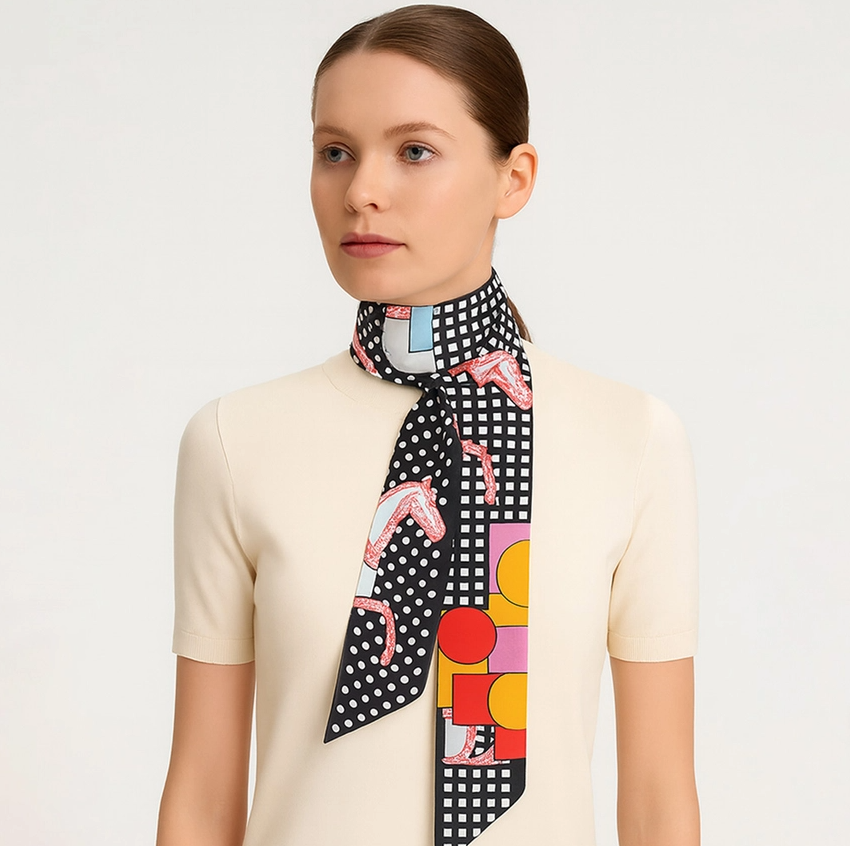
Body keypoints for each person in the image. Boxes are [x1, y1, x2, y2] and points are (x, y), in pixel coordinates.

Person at [155, 5, 700, 846]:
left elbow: (661, 801)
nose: (361, 191)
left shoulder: (632, 438)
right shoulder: (234, 440)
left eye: (414, 151)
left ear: (514, 179)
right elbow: (199, 797)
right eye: (335, 152)